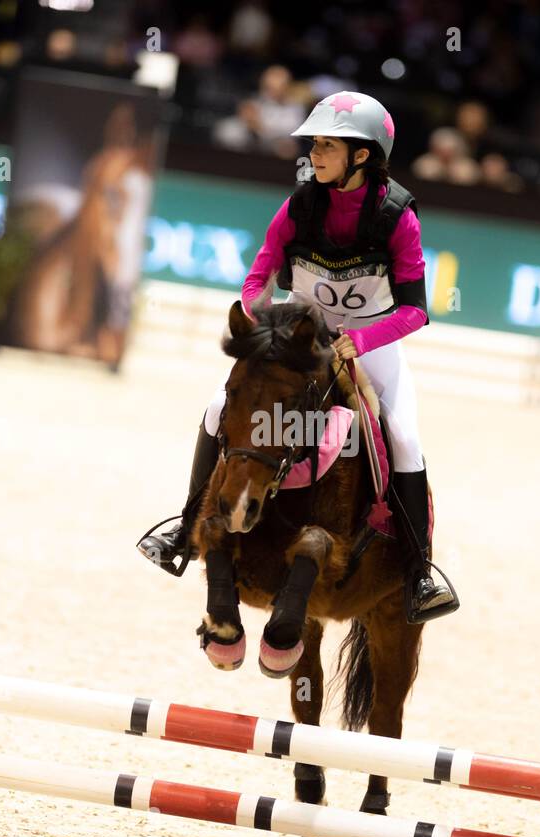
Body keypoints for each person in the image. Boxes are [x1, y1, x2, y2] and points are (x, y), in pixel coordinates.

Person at [138, 90, 459, 625]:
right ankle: (186, 527)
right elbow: (259, 275)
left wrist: (361, 341)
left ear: (362, 156)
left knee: (402, 433)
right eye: (314, 144)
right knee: (221, 406)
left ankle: (417, 569)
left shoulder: (397, 217)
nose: (313, 154)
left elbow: (415, 312)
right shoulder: (299, 204)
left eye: (327, 145)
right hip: (298, 330)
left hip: (370, 337)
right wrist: (257, 313)